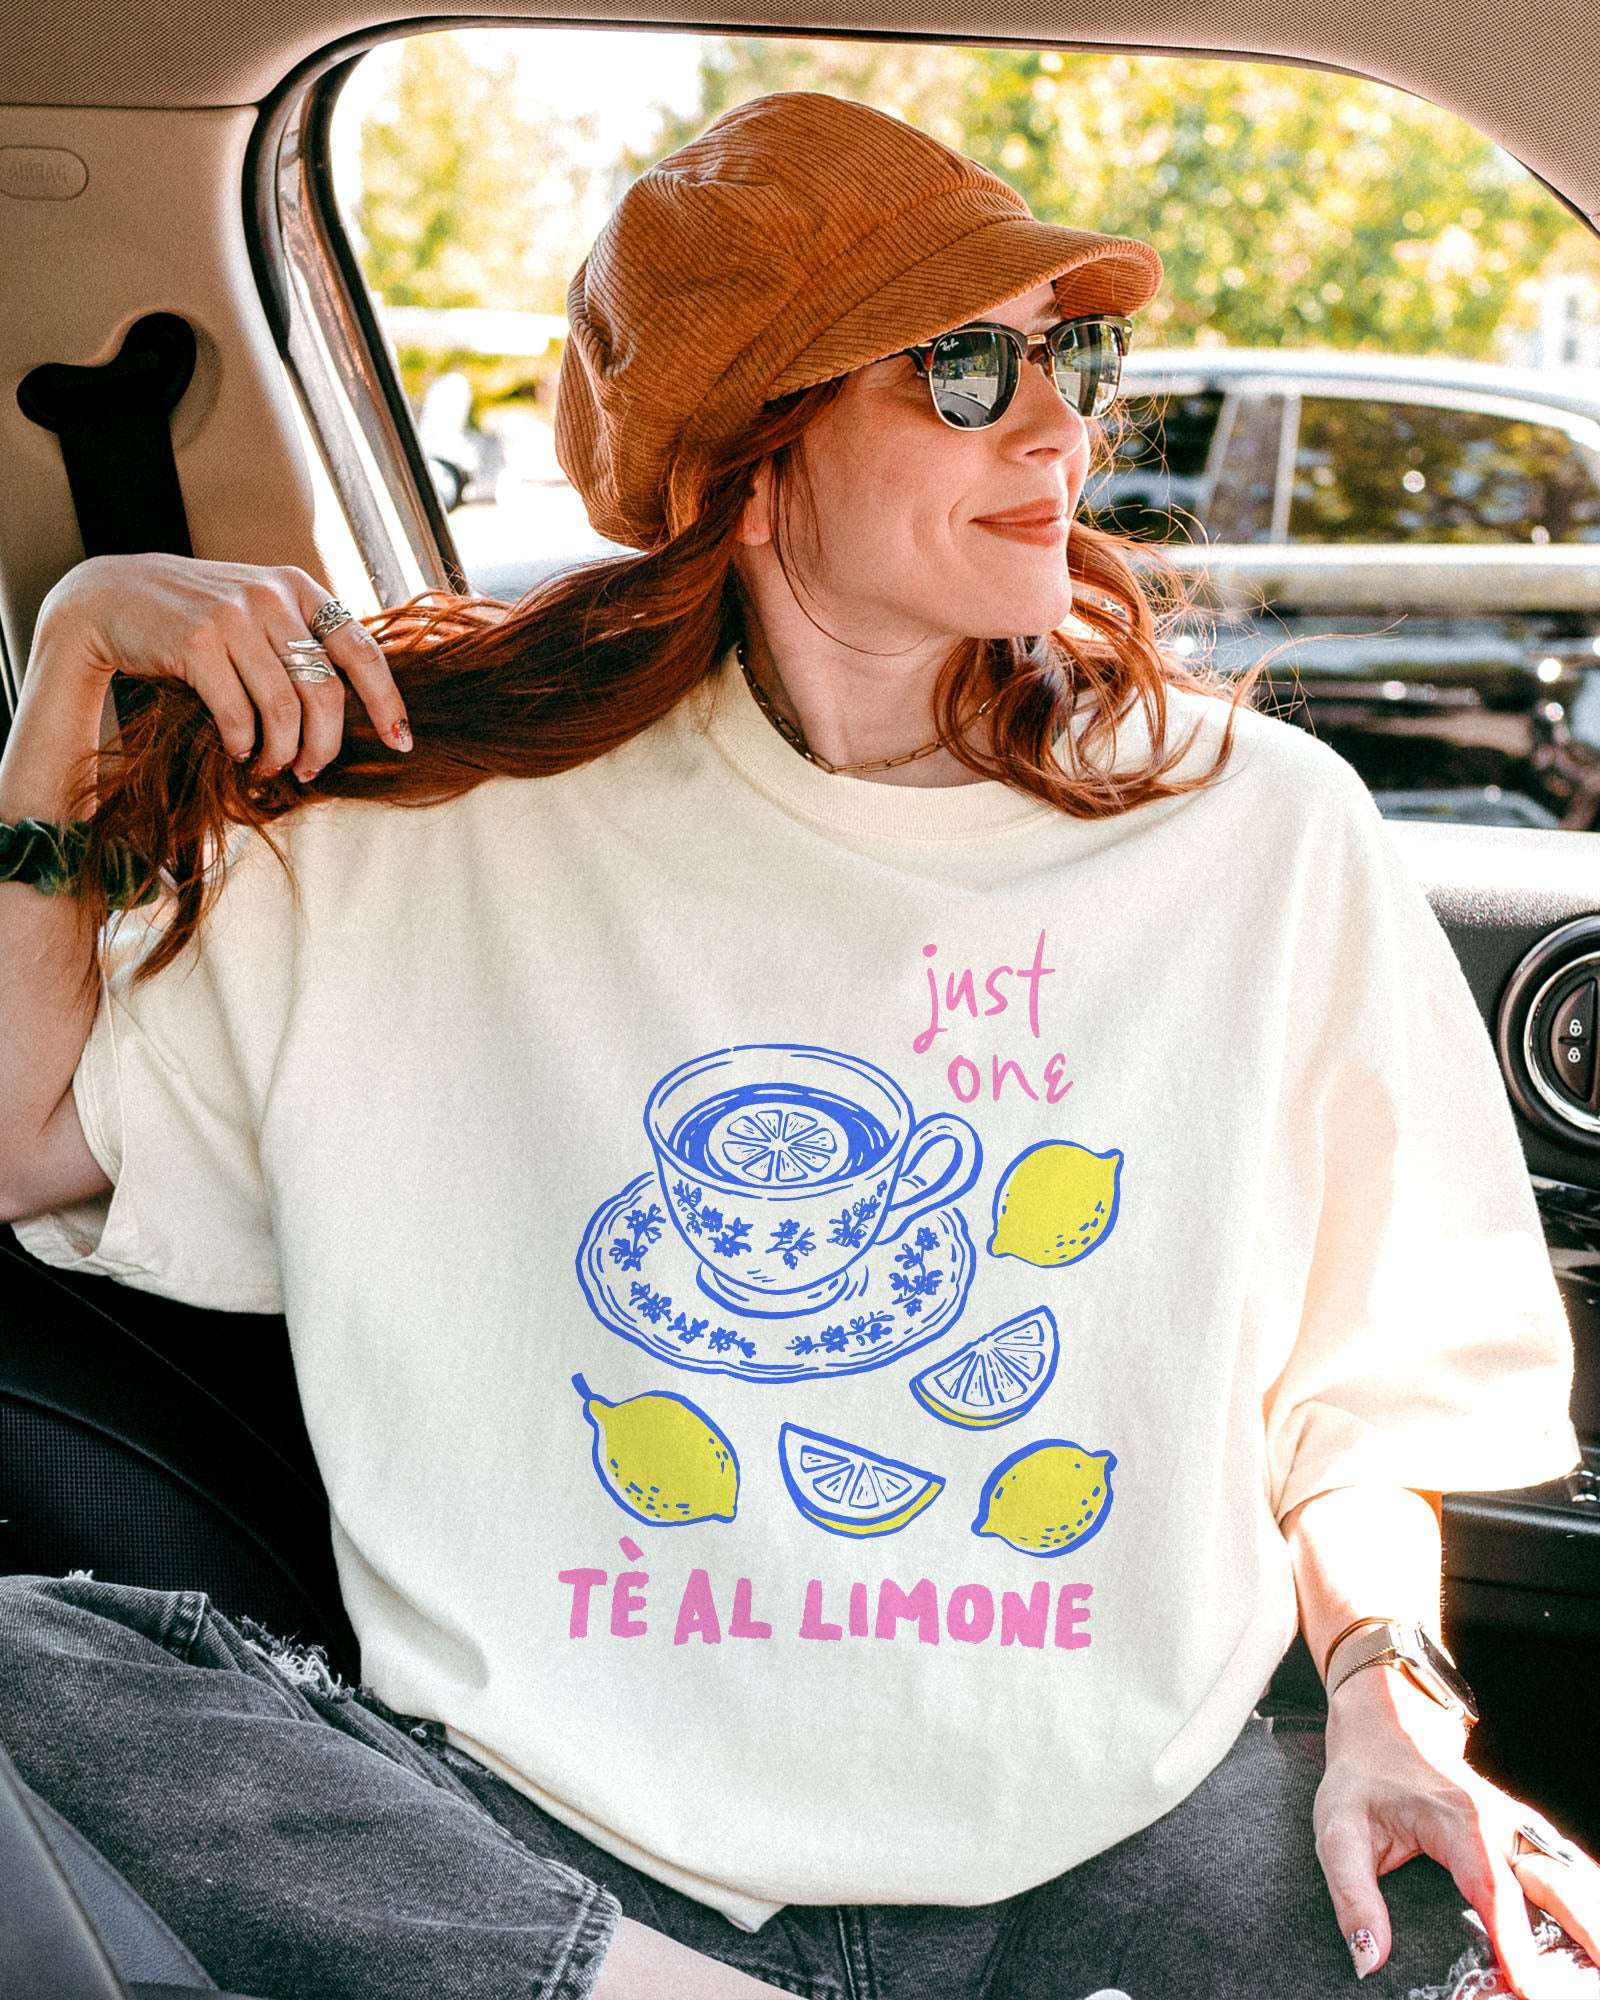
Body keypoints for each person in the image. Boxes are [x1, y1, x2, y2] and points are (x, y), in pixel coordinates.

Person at [0, 86, 1593, 2000]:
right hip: (545, 1848)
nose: (1064, 423)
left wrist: (1390, 1701)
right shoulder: (424, 838)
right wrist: (70, 678)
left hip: (1116, 1842)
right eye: (968, 367)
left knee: (1526, 1946)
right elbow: (30, 1145)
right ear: (759, 452)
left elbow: (1370, 1390)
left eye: (1070, 354)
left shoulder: (1261, 831)